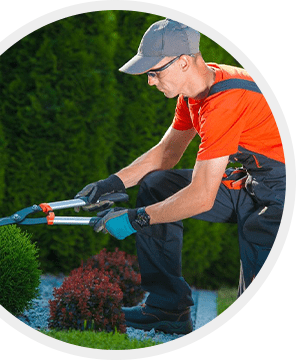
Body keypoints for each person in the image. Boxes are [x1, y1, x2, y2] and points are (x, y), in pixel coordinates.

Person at [74, 18, 285, 334]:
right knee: (158, 185)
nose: (149, 81)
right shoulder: (193, 95)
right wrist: (112, 183)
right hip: (252, 179)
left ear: (184, 62)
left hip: (283, 188)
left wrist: (136, 219)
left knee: (257, 246)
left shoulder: (225, 101)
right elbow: (166, 155)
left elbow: (201, 196)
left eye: (154, 72)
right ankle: (166, 308)